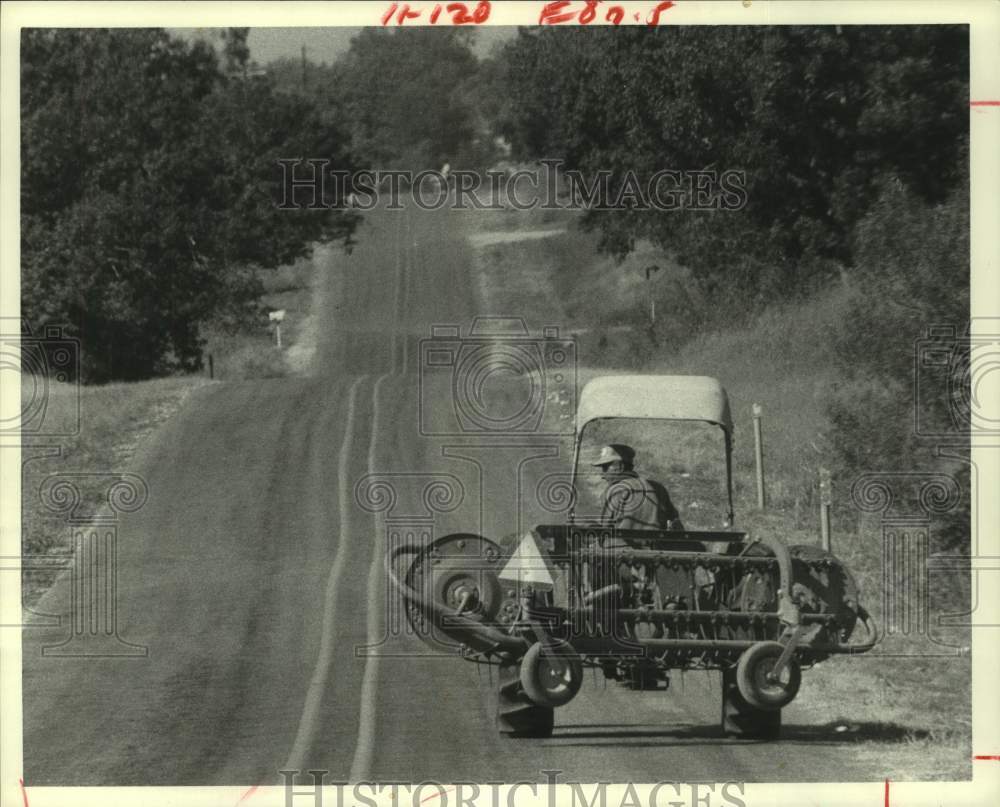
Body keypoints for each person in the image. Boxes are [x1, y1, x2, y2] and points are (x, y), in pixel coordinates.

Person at [592, 444, 684, 532]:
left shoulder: (615, 490)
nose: (602, 475)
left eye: (605, 468)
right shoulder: (658, 487)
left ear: (619, 467)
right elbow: (674, 520)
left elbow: (604, 527)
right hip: (658, 546)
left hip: (622, 546)